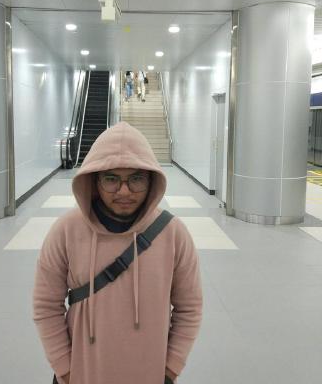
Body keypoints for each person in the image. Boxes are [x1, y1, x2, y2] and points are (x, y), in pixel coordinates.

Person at [33, 121, 203, 384]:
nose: (124, 191)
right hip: (83, 375)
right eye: (111, 179)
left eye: (136, 178)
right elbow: (46, 305)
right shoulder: (65, 231)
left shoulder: (174, 235)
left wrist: (170, 369)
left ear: (151, 180)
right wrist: (65, 369)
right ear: (95, 181)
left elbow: (189, 309)